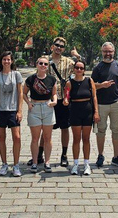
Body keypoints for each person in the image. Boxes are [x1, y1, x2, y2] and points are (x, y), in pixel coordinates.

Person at [27, 37, 76, 167]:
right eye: (57, 45)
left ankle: (64, 155)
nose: (59, 47)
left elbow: (79, 69)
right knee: (45, 128)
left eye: (62, 46)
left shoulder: (69, 62)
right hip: (47, 100)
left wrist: (77, 56)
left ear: (64, 48)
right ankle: (39, 155)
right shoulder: (45, 60)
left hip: (63, 99)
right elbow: (36, 76)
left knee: (65, 127)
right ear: (52, 46)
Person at [91, 42, 118, 169]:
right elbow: (91, 85)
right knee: (101, 131)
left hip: (116, 103)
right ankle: (100, 155)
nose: (108, 54)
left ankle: (116, 157)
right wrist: (102, 85)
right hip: (101, 104)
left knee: (116, 130)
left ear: (114, 51)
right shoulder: (97, 67)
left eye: (110, 51)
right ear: (101, 52)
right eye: (105, 51)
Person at [63, 60, 100, 176]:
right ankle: (75, 164)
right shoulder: (69, 83)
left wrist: (96, 112)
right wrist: (65, 100)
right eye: (77, 67)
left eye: (81, 68)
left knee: (86, 139)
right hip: (75, 112)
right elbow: (67, 96)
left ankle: (86, 164)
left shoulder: (89, 81)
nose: (79, 70)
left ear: (84, 70)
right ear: (74, 69)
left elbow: (94, 97)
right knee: (76, 139)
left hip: (88, 112)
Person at [0, 51, 24, 177]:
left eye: (8, 59)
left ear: (12, 61)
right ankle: (4, 164)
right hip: (0, 109)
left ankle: (16, 165)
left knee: (17, 137)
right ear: (1, 61)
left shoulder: (16, 75)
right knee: (1, 137)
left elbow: (20, 93)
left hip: (13, 109)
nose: (6, 61)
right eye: (4, 59)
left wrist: (20, 110)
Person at [23, 56, 57, 173]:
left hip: (47, 108)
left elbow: (54, 93)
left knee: (48, 138)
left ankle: (47, 162)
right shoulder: (31, 79)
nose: (43, 66)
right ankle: (35, 162)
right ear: (36, 65)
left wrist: (55, 101)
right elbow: (23, 93)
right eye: (41, 63)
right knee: (35, 138)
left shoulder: (52, 79)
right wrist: (28, 103)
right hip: (35, 108)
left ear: (48, 67)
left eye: (46, 64)